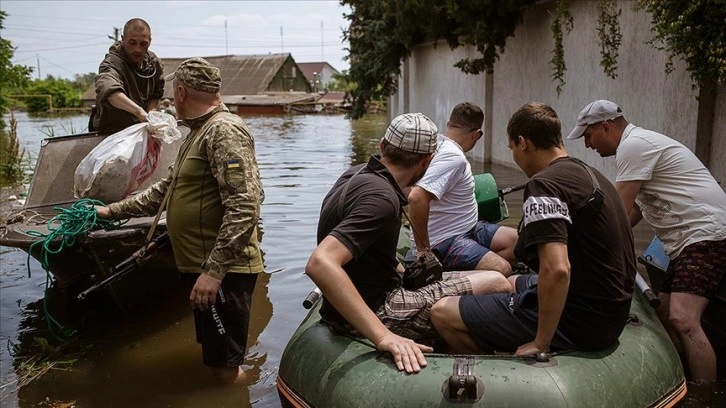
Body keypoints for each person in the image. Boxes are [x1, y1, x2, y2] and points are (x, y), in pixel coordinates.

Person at [95, 57, 264, 384]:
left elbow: (245, 204)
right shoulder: (197, 132)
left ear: (183, 92)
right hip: (204, 269)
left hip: (224, 273)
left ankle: (260, 392)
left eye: (174, 94)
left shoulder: (224, 131)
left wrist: (214, 272)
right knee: (216, 361)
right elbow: (166, 190)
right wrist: (111, 211)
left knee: (224, 371)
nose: (172, 101)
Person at [306, 113, 512, 374]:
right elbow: (320, 263)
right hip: (380, 308)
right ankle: (481, 367)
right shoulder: (381, 199)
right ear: (427, 161)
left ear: (382, 145)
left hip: (373, 293)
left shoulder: (354, 174)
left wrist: (406, 272)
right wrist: (383, 337)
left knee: (479, 276)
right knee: (498, 282)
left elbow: (367, 251)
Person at [430, 102, 637, 356]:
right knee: (511, 280)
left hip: (580, 322)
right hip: (608, 313)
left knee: (441, 312)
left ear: (523, 142)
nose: (515, 157)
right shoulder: (590, 174)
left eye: (512, 149)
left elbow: (558, 269)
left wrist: (541, 342)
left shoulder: (544, 186)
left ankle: (496, 365)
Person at [567, 99, 726, 382]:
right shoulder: (638, 147)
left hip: (705, 235)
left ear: (605, 127)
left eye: (588, 136)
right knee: (664, 316)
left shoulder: (634, 146)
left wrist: (583, 243)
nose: (588, 145)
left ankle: (704, 393)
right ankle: (678, 380)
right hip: (687, 241)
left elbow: (613, 209)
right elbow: (633, 212)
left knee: (684, 320)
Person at [407, 102, 517, 276]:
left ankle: (469, 270)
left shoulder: (437, 145)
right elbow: (416, 197)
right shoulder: (453, 157)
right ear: (476, 135)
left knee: (517, 242)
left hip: (469, 228)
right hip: (445, 241)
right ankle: (446, 277)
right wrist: (424, 251)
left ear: (449, 125)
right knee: (502, 269)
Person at [91, 18, 165, 134]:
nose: (137, 49)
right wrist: (139, 112)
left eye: (143, 44)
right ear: (123, 39)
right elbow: (110, 91)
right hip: (112, 133)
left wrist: (151, 114)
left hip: (142, 130)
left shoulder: (154, 64)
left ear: (150, 41)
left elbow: (156, 93)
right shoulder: (111, 64)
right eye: (132, 43)